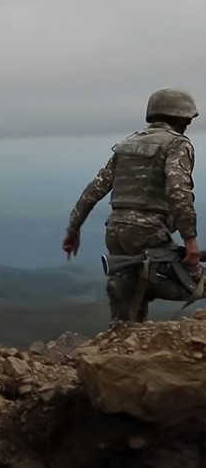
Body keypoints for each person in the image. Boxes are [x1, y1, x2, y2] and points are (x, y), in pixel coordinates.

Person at [63, 87, 202, 324]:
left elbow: (93, 191)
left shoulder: (127, 145)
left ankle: (126, 314)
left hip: (116, 231)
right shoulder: (178, 144)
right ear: (182, 117)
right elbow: (178, 191)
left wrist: (73, 230)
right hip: (149, 233)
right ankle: (143, 285)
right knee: (196, 283)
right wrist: (190, 240)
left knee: (127, 310)